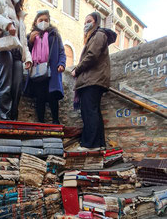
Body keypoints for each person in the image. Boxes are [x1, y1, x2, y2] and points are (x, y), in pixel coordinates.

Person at [71, 12, 116, 151]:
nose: (86, 24)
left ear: (96, 22)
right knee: (94, 111)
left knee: (89, 111)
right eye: (85, 22)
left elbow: (92, 56)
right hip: (95, 80)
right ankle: (100, 144)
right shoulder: (96, 36)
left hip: (92, 80)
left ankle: (90, 144)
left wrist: (77, 70)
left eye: (89, 21)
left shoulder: (98, 35)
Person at [24, 10, 66, 124]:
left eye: (46, 20)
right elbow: (25, 51)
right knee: (39, 97)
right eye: (40, 20)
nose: (43, 22)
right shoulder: (30, 36)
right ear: (36, 22)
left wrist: (61, 64)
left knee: (53, 96)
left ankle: (56, 121)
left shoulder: (55, 35)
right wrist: (30, 41)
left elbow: (61, 51)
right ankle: (41, 122)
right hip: (36, 70)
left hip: (51, 70)